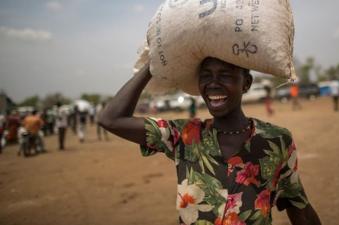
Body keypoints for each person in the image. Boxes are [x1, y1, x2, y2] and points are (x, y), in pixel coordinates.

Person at [99, 58, 321, 225]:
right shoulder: (184, 135)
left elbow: (298, 205)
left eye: (225, 75)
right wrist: (152, 63)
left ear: (246, 83)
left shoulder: (276, 140)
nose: (213, 84)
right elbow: (111, 119)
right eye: (206, 75)